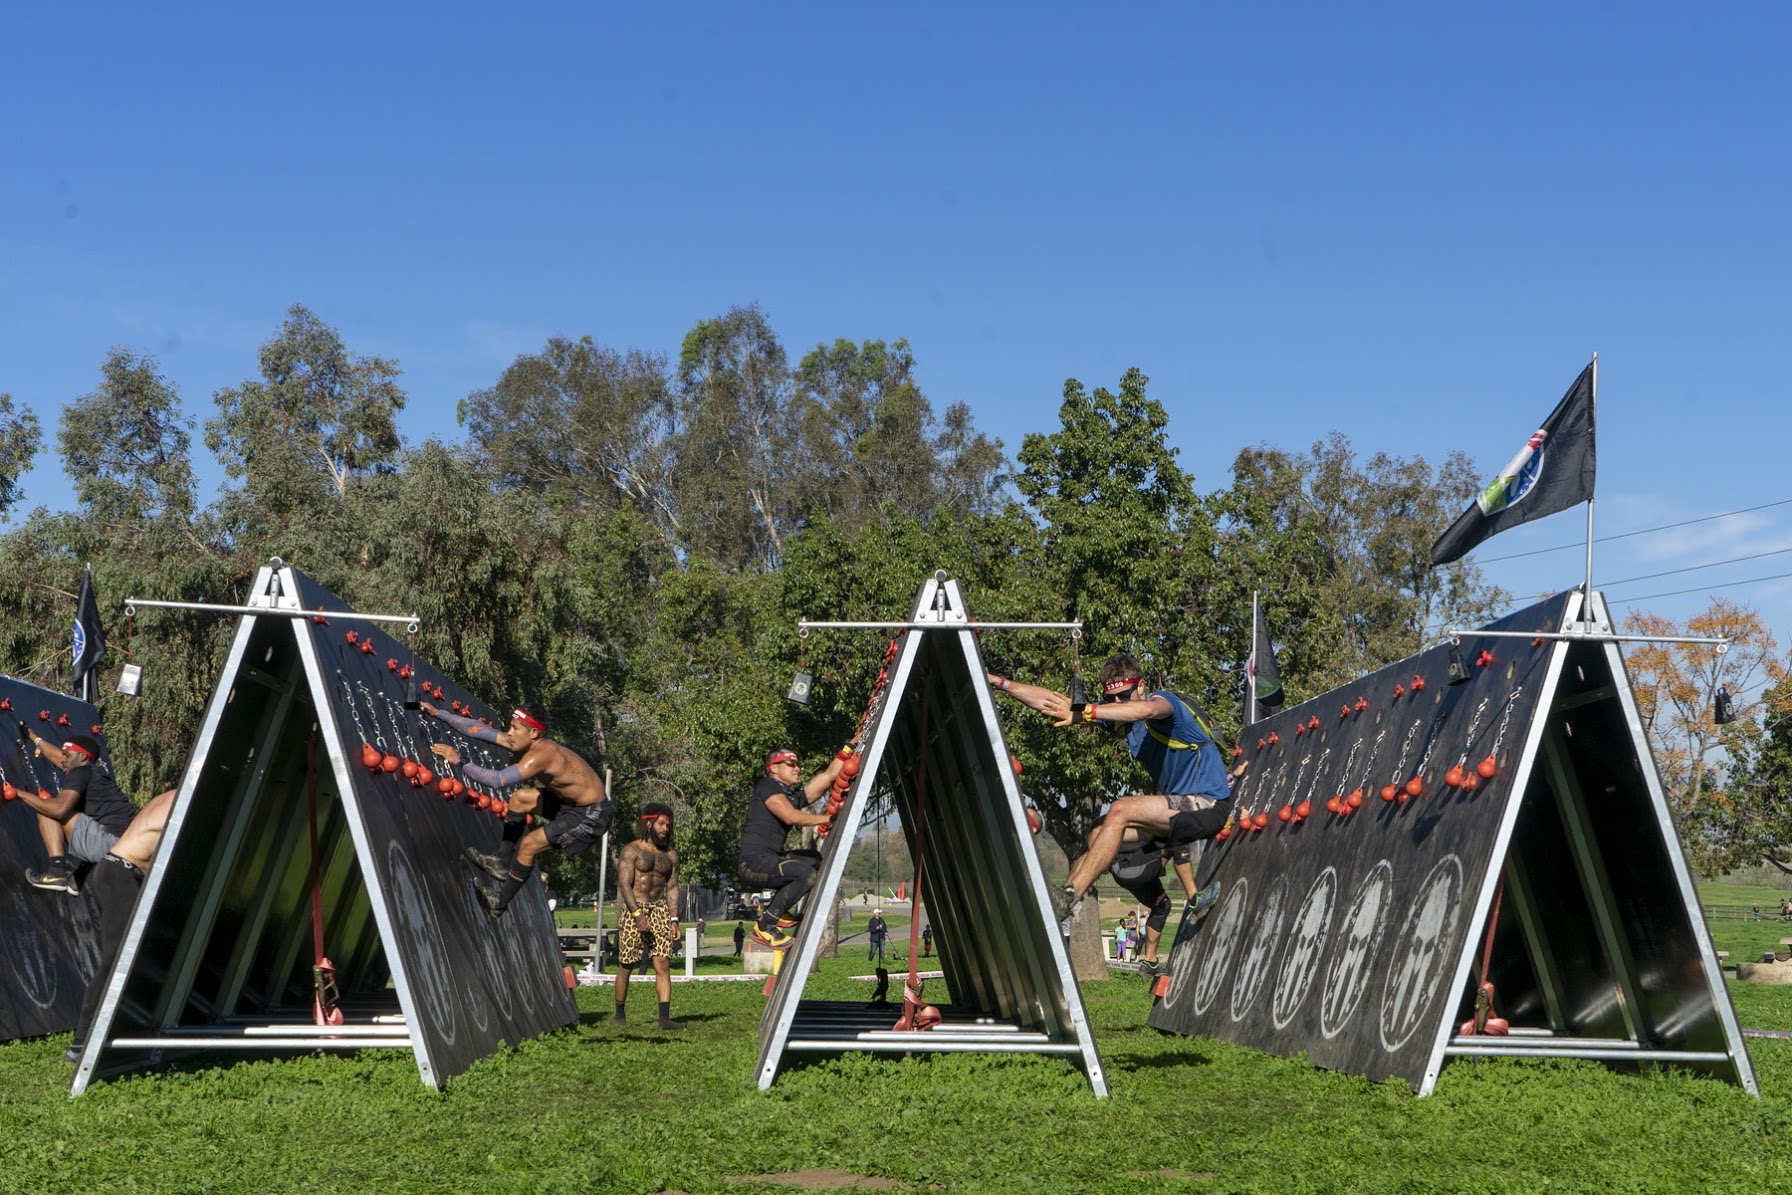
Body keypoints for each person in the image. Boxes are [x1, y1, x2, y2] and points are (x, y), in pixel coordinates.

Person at [988, 652, 1242, 937]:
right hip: (1174, 812)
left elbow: (1144, 711)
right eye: (1112, 700)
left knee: (1121, 809)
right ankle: (1061, 904)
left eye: (1124, 695)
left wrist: (1088, 712)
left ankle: (1071, 898)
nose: (1118, 704)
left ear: (1141, 686)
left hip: (1208, 805)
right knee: (1098, 830)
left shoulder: (1166, 704)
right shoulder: (1122, 720)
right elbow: (1054, 703)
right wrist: (997, 682)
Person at [422, 702, 615, 920]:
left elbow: (497, 780)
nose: (509, 733)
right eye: (511, 726)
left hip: (591, 813)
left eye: (515, 728)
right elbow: (479, 730)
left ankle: (499, 903)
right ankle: (501, 862)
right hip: (569, 802)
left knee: (529, 845)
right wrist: (439, 713)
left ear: (533, 733)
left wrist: (459, 761)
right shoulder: (526, 742)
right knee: (520, 799)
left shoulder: (541, 755)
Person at [68, 786, 178, 1063]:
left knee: (133, 956)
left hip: (122, 873)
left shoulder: (170, 796)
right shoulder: (179, 803)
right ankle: (81, 1043)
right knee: (116, 958)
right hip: (120, 873)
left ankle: (133, 1029)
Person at [738, 746, 849, 950]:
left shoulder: (792, 795)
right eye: (790, 764)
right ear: (773, 769)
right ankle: (765, 927)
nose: (797, 768)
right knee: (805, 875)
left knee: (813, 859)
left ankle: (779, 911)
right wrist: (828, 818)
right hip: (753, 864)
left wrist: (852, 744)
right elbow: (790, 816)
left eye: (798, 764)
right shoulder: (767, 786)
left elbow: (831, 774)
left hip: (771, 858)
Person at [12, 728, 138, 896]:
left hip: (111, 847)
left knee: (49, 809)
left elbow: (58, 810)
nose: (62, 759)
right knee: (83, 816)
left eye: (67, 755)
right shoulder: (94, 773)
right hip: (128, 852)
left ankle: (56, 872)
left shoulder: (80, 772)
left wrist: (19, 793)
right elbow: (58, 757)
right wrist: (35, 738)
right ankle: (78, 878)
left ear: (83, 757)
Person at [612, 802, 684, 1030]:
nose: (665, 829)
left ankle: (664, 1018)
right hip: (635, 907)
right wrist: (636, 913)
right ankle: (619, 1013)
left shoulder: (670, 855)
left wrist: (674, 919)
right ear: (649, 823)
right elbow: (624, 882)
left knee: (662, 963)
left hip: (660, 909)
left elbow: (672, 887)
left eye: (668, 825)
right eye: (661, 824)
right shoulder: (631, 850)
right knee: (627, 964)